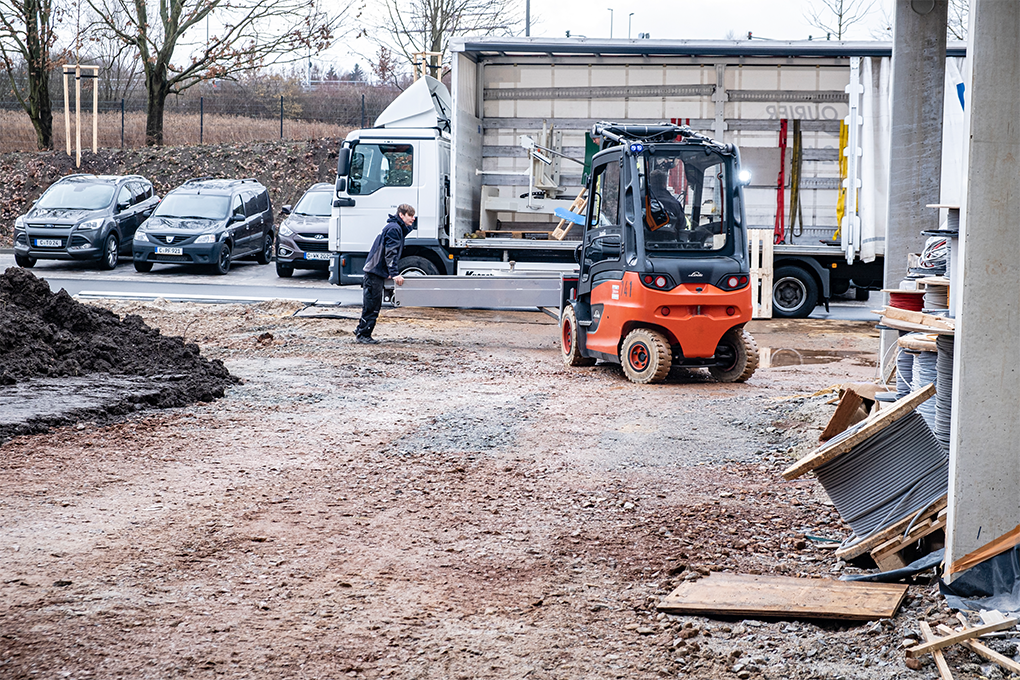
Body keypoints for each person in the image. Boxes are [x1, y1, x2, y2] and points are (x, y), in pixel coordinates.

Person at [354, 204, 417, 344]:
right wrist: (394, 274)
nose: (413, 218)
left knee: (371, 303)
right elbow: (391, 253)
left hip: (375, 271)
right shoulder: (394, 229)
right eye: (410, 215)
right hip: (374, 272)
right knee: (372, 305)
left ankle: (361, 329)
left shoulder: (395, 227)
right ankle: (363, 335)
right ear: (402, 215)